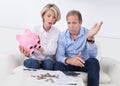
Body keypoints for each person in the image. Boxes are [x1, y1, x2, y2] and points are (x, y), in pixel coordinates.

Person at [54, 10, 103, 86]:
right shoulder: (62, 35)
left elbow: (93, 55)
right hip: (69, 64)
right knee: (58, 65)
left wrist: (90, 38)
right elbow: (59, 56)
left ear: (80, 22)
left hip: (83, 63)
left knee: (94, 62)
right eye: (69, 23)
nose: (71, 26)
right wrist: (70, 60)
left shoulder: (88, 33)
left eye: (74, 23)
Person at [19, 3, 61, 70]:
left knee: (49, 64)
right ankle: (37, 68)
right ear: (43, 15)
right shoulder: (35, 29)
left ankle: (41, 68)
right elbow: (30, 48)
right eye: (49, 16)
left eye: (54, 17)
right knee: (32, 63)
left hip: (47, 59)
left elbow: (52, 51)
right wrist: (27, 53)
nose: (51, 19)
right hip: (33, 58)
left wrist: (39, 48)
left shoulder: (56, 32)